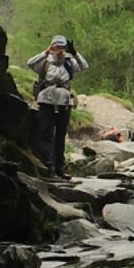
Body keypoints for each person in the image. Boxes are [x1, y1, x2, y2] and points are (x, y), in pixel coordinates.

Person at [26, 36, 88, 177]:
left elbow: (84, 66)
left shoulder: (70, 63)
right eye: (56, 47)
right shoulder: (46, 62)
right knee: (46, 133)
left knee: (60, 136)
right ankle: (47, 167)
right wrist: (47, 52)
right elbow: (30, 63)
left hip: (64, 102)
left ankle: (59, 168)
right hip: (47, 100)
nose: (59, 50)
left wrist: (75, 53)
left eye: (62, 47)